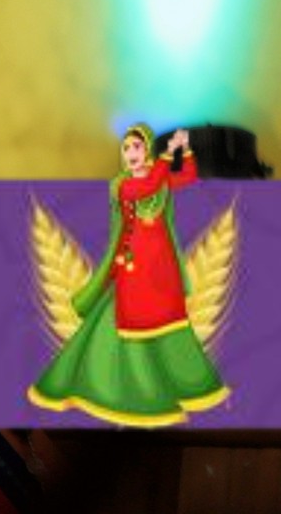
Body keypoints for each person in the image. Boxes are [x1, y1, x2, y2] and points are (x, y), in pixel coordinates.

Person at [29, 125, 230, 425]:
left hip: (161, 269)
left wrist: (184, 149)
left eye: (136, 147)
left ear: (146, 150)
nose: (131, 154)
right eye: (126, 148)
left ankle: (184, 382)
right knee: (132, 320)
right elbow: (146, 187)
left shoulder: (159, 179)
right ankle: (131, 388)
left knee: (170, 319)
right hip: (134, 268)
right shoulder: (122, 185)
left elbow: (186, 177)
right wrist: (167, 155)